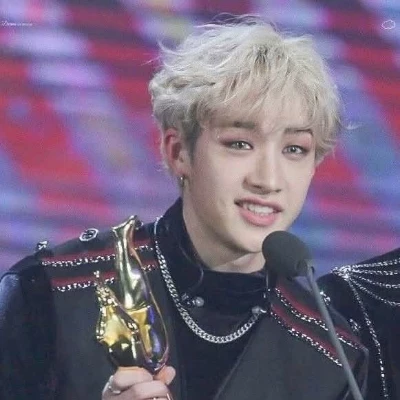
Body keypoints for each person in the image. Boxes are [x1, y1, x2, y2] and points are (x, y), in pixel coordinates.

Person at [0, 16, 399, 400]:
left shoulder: (332, 357)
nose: (268, 179)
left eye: (294, 149)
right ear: (178, 152)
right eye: (239, 144)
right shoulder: (49, 293)